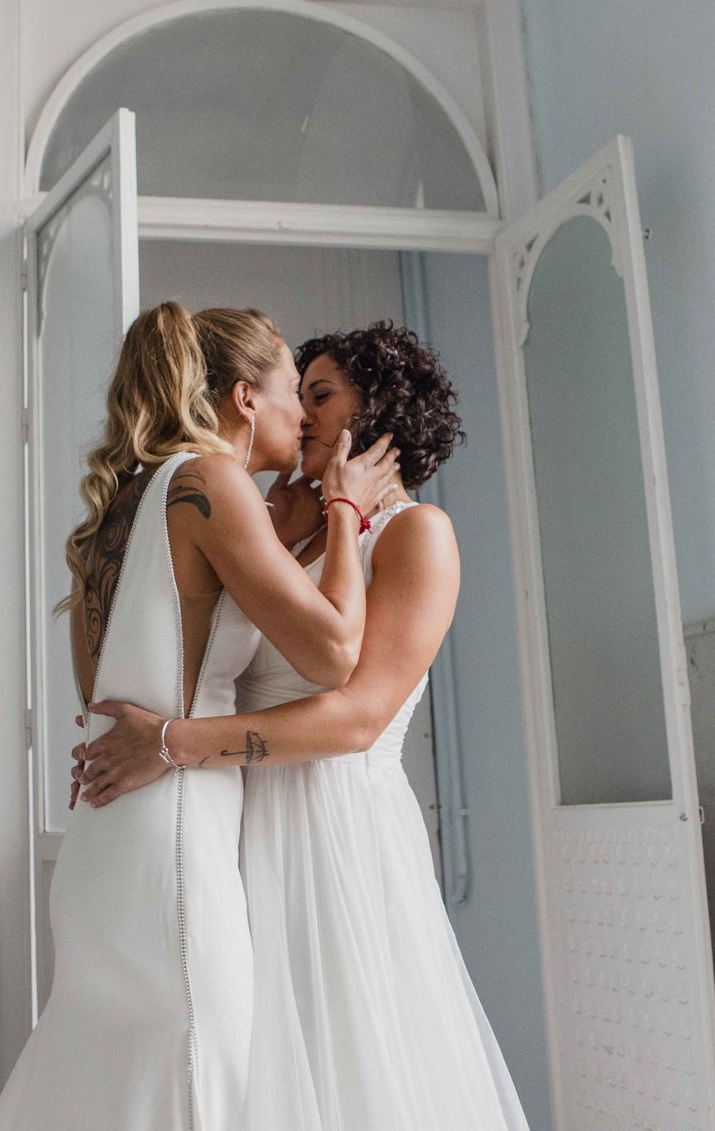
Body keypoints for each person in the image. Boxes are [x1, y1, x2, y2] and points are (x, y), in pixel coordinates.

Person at [75, 321, 530, 1131]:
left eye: (322, 395)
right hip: (240, 828)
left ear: (380, 408)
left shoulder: (417, 535)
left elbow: (355, 717)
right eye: (301, 393)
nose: (306, 412)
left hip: (336, 833)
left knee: (344, 1069)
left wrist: (171, 745)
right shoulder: (288, 525)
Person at [0, 303, 398, 1131]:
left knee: (105, 1081)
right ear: (245, 398)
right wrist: (347, 514)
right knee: (201, 1079)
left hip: (106, 839)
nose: (302, 414)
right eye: (292, 389)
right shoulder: (212, 481)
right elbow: (334, 653)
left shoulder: (124, 505)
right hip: (174, 838)